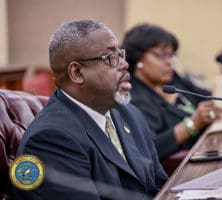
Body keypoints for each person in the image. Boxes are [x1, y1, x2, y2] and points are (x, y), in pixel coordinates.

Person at [12, 19, 167, 200]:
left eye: (120, 54)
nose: (124, 64)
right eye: (110, 58)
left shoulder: (130, 115)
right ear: (77, 73)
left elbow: (161, 186)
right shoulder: (51, 140)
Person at [121, 24, 222, 159]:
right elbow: (150, 148)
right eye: (162, 55)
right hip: (178, 169)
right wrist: (192, 124)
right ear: (138, 58)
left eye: (171, 55)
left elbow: (207, 96)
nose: (169, 62)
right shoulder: (133, 97)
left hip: (212, 148)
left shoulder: (173, 80)